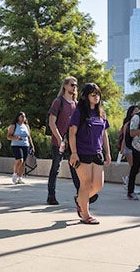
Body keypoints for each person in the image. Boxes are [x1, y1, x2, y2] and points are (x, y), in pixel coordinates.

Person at [69, 83, 111, 224]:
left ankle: (80, 200)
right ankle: (85, 215)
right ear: (86, 96)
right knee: (85, 183)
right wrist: (74, 153)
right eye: (93, 94)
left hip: (97, 152)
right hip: (82, 153)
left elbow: (104, 135)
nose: (96, 97)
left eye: (98, 94)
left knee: (98, 185)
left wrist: (108, 153)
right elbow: (72, 133)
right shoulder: (79, 112)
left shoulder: (101, 113)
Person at [46, 76, 81, 205]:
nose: (74, 87)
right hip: (58, 141)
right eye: (72, 84)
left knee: (75, 167)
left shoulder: (75, 104)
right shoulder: (58, 101)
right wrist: (60, 139)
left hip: (71, 141)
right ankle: (51, 195)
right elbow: (51, 122)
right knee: (56, 168)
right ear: (65, 86)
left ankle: (81, 194)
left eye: (76, 85)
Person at [7, 112, 35, 184]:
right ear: (18, 117)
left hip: (25, 145)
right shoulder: (14, 126)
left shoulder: (26, 126)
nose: (23, 118)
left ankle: (20, 177)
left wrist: (32, 145)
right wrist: (16, 138)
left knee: (23, 162)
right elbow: (8, 136)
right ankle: (15, 174)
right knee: (20, 160)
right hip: (16, 145)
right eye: (21, 116)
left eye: (24, 117)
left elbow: (29, 137)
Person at [118, 105, 140, 192]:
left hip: (137, 148)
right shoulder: (127, 124)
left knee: (139, 169)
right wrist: (122, 150)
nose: (137, 113)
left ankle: (127, 179)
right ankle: (131, 187)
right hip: (128, 148)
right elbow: (124, 137)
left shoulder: (139, 123)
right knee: (134, 168)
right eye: (135, 111)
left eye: (138, 111)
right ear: (131, 113)